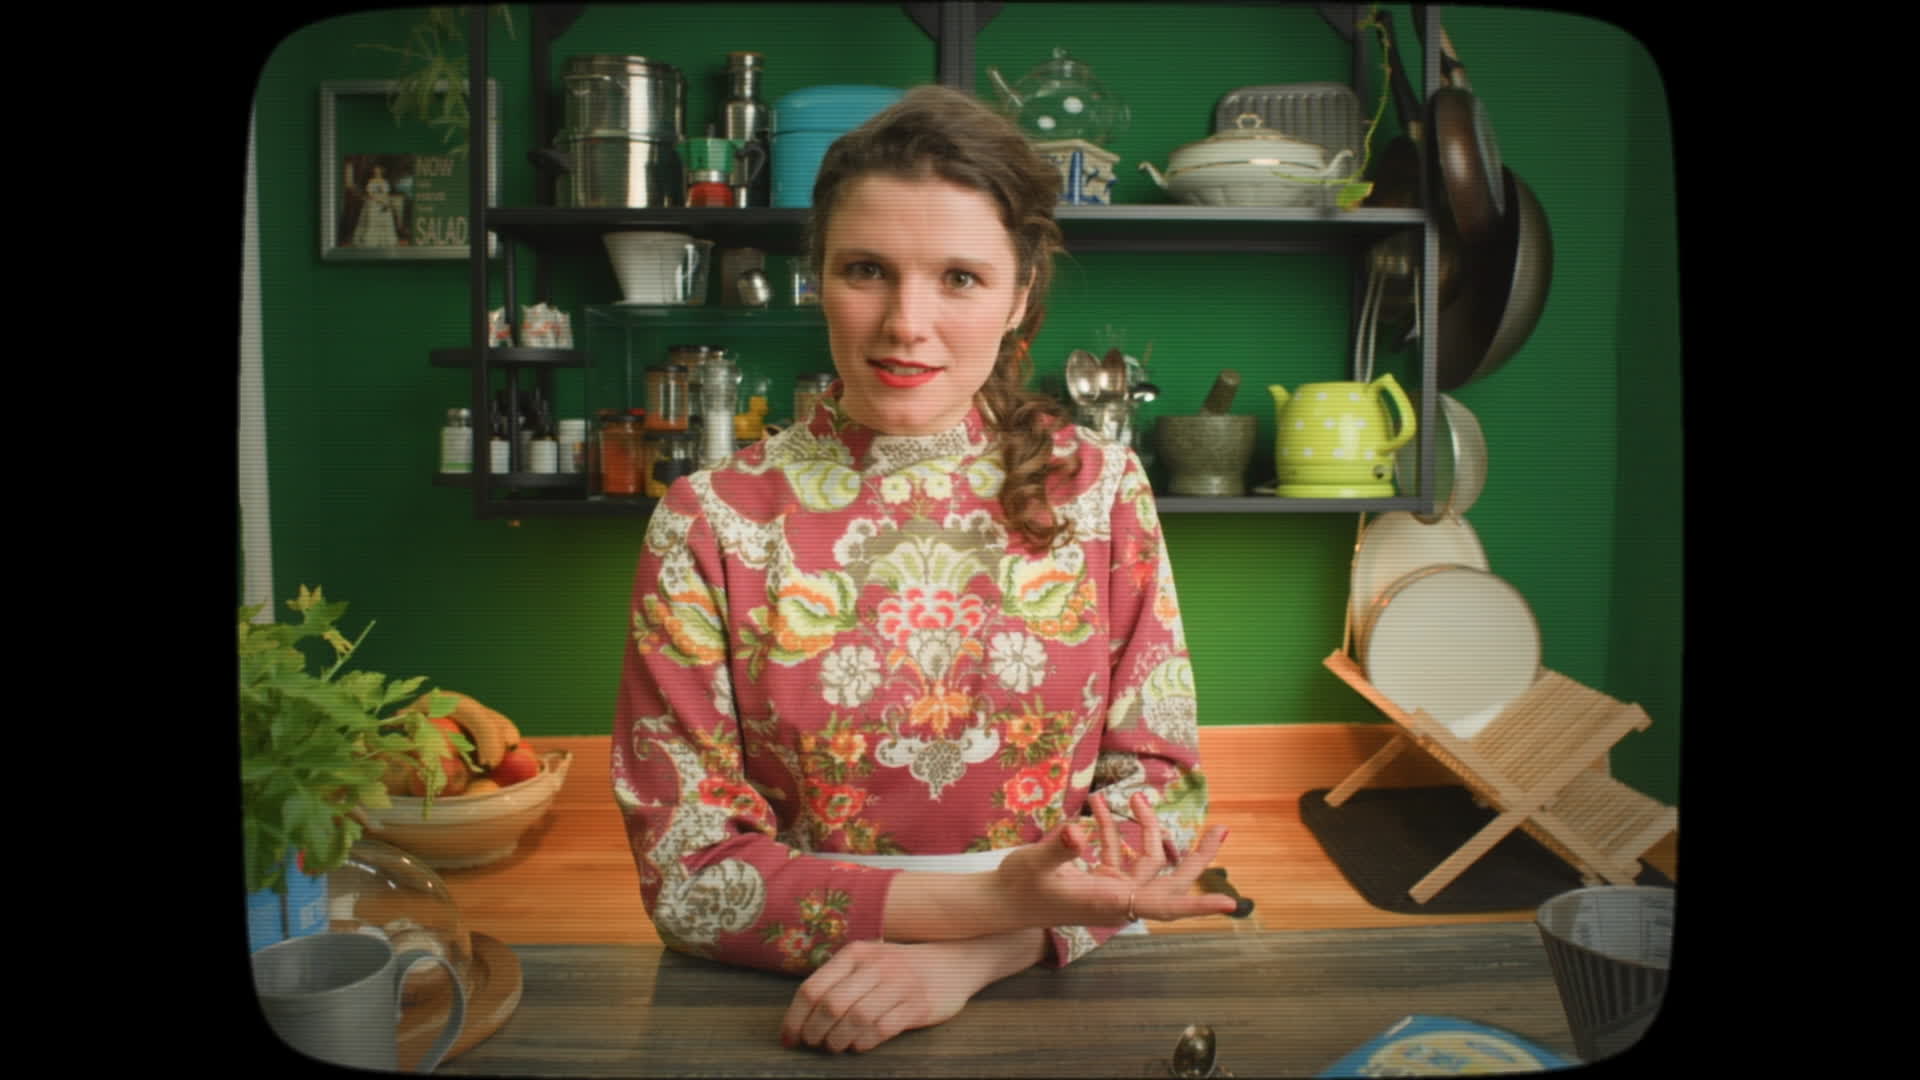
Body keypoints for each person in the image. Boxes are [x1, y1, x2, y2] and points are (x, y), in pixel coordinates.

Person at [611, 83, 1237, 1055]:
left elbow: (1157, 797)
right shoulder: (708, 521)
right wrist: (992, 906)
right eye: (867, 270)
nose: (906, 323)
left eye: (959, 278)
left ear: (1020, 294)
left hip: (1058, 978)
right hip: (802, 990)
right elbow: (689, 874)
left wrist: (982, 952)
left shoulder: (1103, 490)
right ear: (817, 276)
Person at [351, 163, 401, 247]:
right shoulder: (371, 181)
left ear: (381, 171)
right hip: (373, 203)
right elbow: (370, 193)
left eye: (378, 170)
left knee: (384, 221)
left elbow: (386, 193)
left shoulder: (385, 181)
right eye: (375, 170)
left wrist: (384, 201)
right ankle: (371, 241)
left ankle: (384, 240)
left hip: (383, 202)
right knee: (372, 221)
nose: (376, 172)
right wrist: (377, 200)